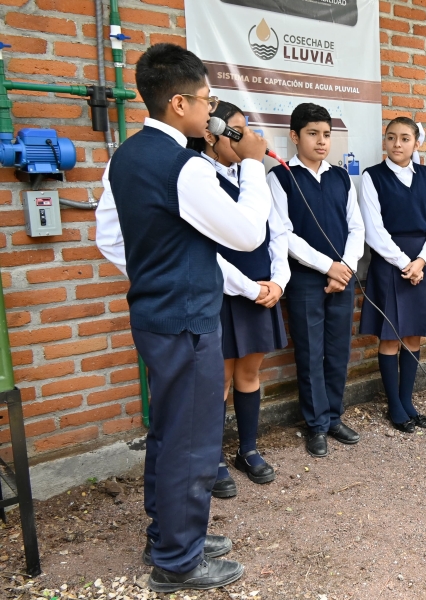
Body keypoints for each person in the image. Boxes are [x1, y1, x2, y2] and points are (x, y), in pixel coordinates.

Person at [96, 43, 271, 592]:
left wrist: (159, 270)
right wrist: (256, 168)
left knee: (169, 432)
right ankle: (178, 559)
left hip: (154, 313)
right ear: (178, 103)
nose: (211, 110)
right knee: (193, 438)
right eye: (205, 100)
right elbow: (247, 234)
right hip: (189, 320)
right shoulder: (187, 167)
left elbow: (109, 237)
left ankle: (167, 532)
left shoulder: (124, 156)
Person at [186, 101, 289, 497]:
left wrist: (278, 281)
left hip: (263, 291)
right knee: (220, 379)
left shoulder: (255, 177)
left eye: (246, 130)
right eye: (236, 131)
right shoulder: (201, 180)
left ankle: (248, 449)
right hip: (226, 293)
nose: (246, 139)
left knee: (250, 373)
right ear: (210, 135)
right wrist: (249, 286)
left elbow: (278, 231)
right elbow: (205, 250)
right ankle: (211, 459)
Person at [267, 103, 365, 456]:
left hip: (343, 276)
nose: (321, 141)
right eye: (313, 134)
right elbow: (284, 234)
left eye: (326, 134)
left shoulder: (340, 177)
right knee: (310, 352)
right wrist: (328, 267)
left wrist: (346, 266)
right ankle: (316, 424)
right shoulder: (279, 177)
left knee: (338, 350)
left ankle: (334, 416)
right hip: (307, 280)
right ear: (294, 137)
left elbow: (356, 226)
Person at [358, 116, 426, 432]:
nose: (397, 144)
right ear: (385, 141)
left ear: (416, 143)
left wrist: (421, 261)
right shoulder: (372, 177)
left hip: (421, 264)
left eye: (405, 138)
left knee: (412, 334)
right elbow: (374, 230)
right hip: (390, 264)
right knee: (391, 335)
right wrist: (403, 262)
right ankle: (394, 405)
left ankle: (407, 399)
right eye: (391, 137)